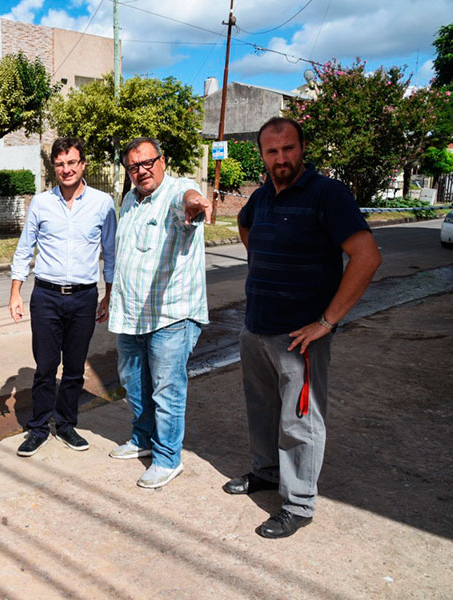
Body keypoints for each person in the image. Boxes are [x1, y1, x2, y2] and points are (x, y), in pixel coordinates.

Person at [223, 117, 382, 539]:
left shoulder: (328, 194)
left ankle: (298, 503)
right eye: (272, 151)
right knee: (262, 410)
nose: (281, 158)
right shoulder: (261, 197)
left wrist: (326, 322)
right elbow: (245, 225)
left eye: (288, 148)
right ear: (262, 155)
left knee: (300, 423)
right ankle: (266, 472)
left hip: (300, 337)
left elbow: (367, 257)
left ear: (302, 148)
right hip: (256, 327)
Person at [107, 137, 211, 489]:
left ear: (162, 161)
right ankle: (143, 439)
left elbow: (188, 201)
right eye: (133, 166)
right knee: (134, 383)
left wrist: (194, 204)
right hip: (131, 314)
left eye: (148, 162)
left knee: (167, 390)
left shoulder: (177, 190)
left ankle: (168, 458)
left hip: (171, 315)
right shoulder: (129, 201)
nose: (142, 170)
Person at [9, 137, 116, 457]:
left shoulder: (102, 203)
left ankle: (67, 424)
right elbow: (25, 248)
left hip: (83, 298)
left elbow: (110, 252)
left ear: (83, 165)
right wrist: (15, 292)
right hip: (46, 296)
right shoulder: (41, 203)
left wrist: (108, 295)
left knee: (74, 368)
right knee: (45, 367)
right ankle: (39, 427)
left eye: (71, 162)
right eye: (60, 164)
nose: (66, 169)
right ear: (53, 167)